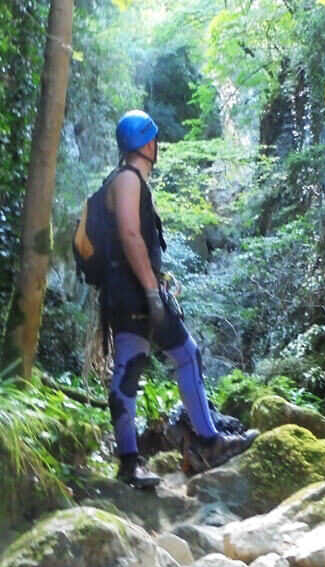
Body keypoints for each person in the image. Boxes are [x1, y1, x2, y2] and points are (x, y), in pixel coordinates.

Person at [103, 110, 256, 488]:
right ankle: (207, 442)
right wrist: (153, 291)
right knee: (187, 355)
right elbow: (129, 235)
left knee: (127, 373)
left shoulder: (121, 181)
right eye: (154, 139)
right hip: (138, 295)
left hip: (122, 294)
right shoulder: (128, 180)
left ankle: (129, 463)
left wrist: (160, 279)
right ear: (148, 144)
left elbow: (131, 244)